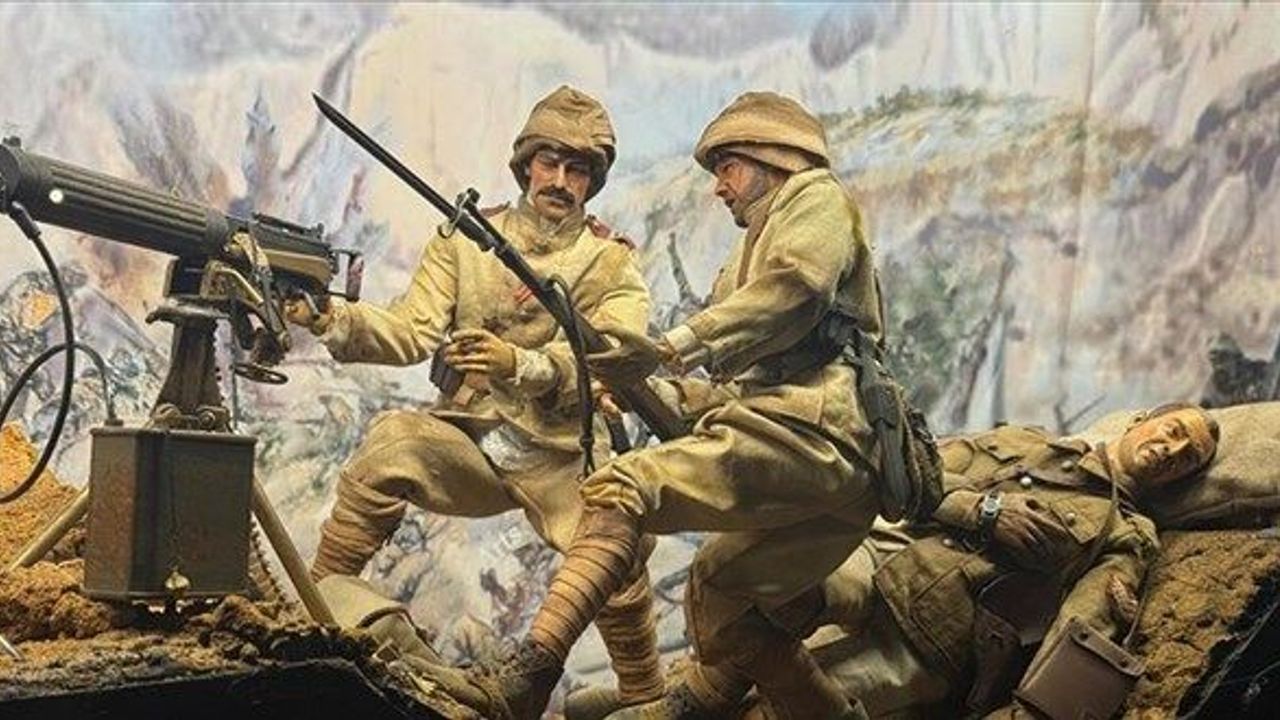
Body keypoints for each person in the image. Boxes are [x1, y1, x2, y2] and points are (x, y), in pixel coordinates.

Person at [440, 90, 907, 720]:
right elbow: (741, 384)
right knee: (727, 607)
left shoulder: (813, 197)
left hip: (822, 431)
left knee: (620, 488)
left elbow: (795, 290)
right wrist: (643, 389)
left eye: (727, 168)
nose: (719, 187)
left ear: (772, 157)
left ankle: (527, 678)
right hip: (805, 441)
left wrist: (667, 350)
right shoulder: (748, 250)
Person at [285, 85, 664, 713]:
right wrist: (331, 319)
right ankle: (314, 612)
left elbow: (613, 357)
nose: (560, 181)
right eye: (549, 162)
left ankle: (646, 694)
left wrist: (518, 363)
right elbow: (410, 330)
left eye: (577, 170)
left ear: (592, 182)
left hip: (561, 452)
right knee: (392, 444)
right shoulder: (467, 239)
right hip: (475, 439)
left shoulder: (610, 263)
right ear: (525, 165)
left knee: (614, 545)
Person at [659, 403, 1220, 719]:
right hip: (886, 556)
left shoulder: (1127, 534)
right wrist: (982, 510)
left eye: (1188, 457)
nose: (1171, 450)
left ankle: (701, 700)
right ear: (1141, 419)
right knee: (762, 592)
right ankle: (695, 698)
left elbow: (1083, 629)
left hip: (935, 640)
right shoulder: (1028, 442)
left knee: (785, 712)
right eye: (1173, 431)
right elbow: (916, 477)